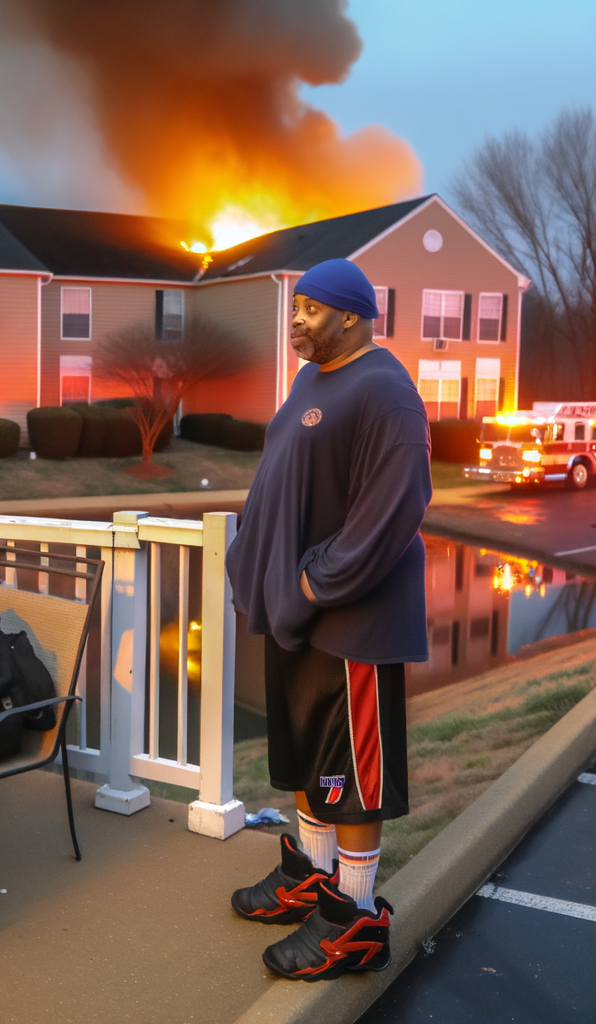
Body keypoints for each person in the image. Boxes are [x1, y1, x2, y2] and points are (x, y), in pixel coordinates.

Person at [225, 259, 431, 981]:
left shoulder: (386, 392)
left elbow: (395, 510)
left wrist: (313, 582)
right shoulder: (312, 379)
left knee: (351, 776)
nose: (298, 320)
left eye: (311, 308)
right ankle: (314, 881)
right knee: (310, 756)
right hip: (298, 611)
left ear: (350, 314)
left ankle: (353, 918)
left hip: (351, 620)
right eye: (297, 307)